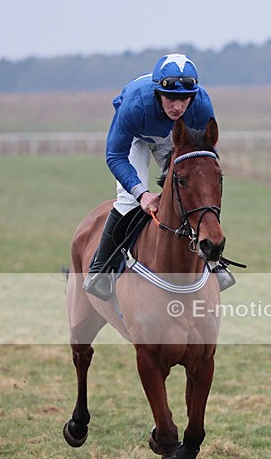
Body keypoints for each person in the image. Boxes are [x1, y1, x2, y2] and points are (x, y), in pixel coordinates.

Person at [83, 53, 231, 300]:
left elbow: (205, 152)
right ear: (157, 93)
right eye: (171, 98)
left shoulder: (202, 104)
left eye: (185, 99)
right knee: (128, 201)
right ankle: (100, 270)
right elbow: (115, 155)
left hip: (177, 139)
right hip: (137, 139)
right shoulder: (134, 105)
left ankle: (214, 263)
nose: (178, 106)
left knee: (194, 193)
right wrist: (141, 193)